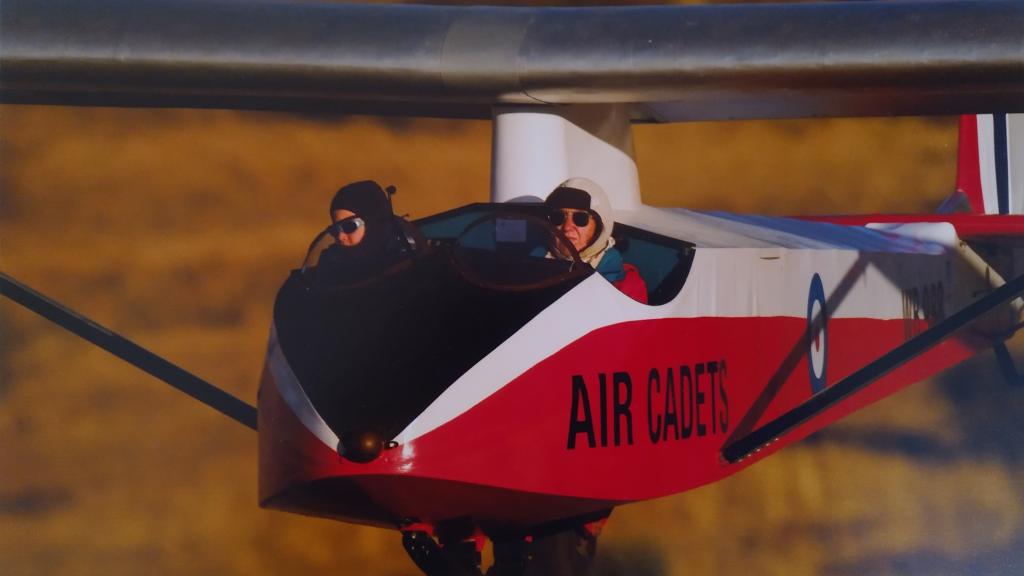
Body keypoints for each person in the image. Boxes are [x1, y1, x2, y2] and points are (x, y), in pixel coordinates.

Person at [544, 178, 647, 303]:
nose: (567, 227)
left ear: (599, 226)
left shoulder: (625, 286)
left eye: (581, 218)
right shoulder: (525, 267)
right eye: (558, 217)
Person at [316, 180, 414, 284]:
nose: (340, 237)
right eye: (335, 229)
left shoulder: (405, 261)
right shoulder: (333, 263)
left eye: (349, 226)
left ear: (373, 226)